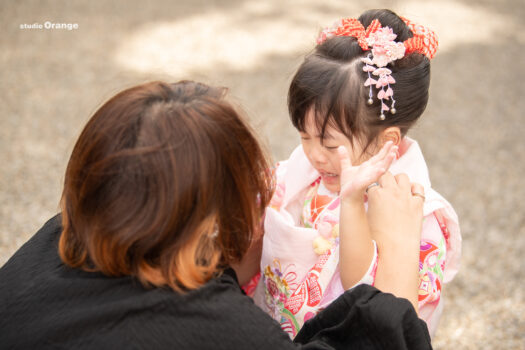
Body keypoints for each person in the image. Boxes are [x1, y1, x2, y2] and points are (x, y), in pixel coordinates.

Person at [0, 80, 432, 349]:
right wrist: (396, 253)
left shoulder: (59, 240)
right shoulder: (212, 326)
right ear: (209, 228)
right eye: (253, 196)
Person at [253, 9, 461, 338]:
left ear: (387, 140)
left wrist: (350, 203)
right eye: (304, 137)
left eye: (330, 144)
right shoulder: (298, 175)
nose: (313, 155)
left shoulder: (410, 210)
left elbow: (362, 291)